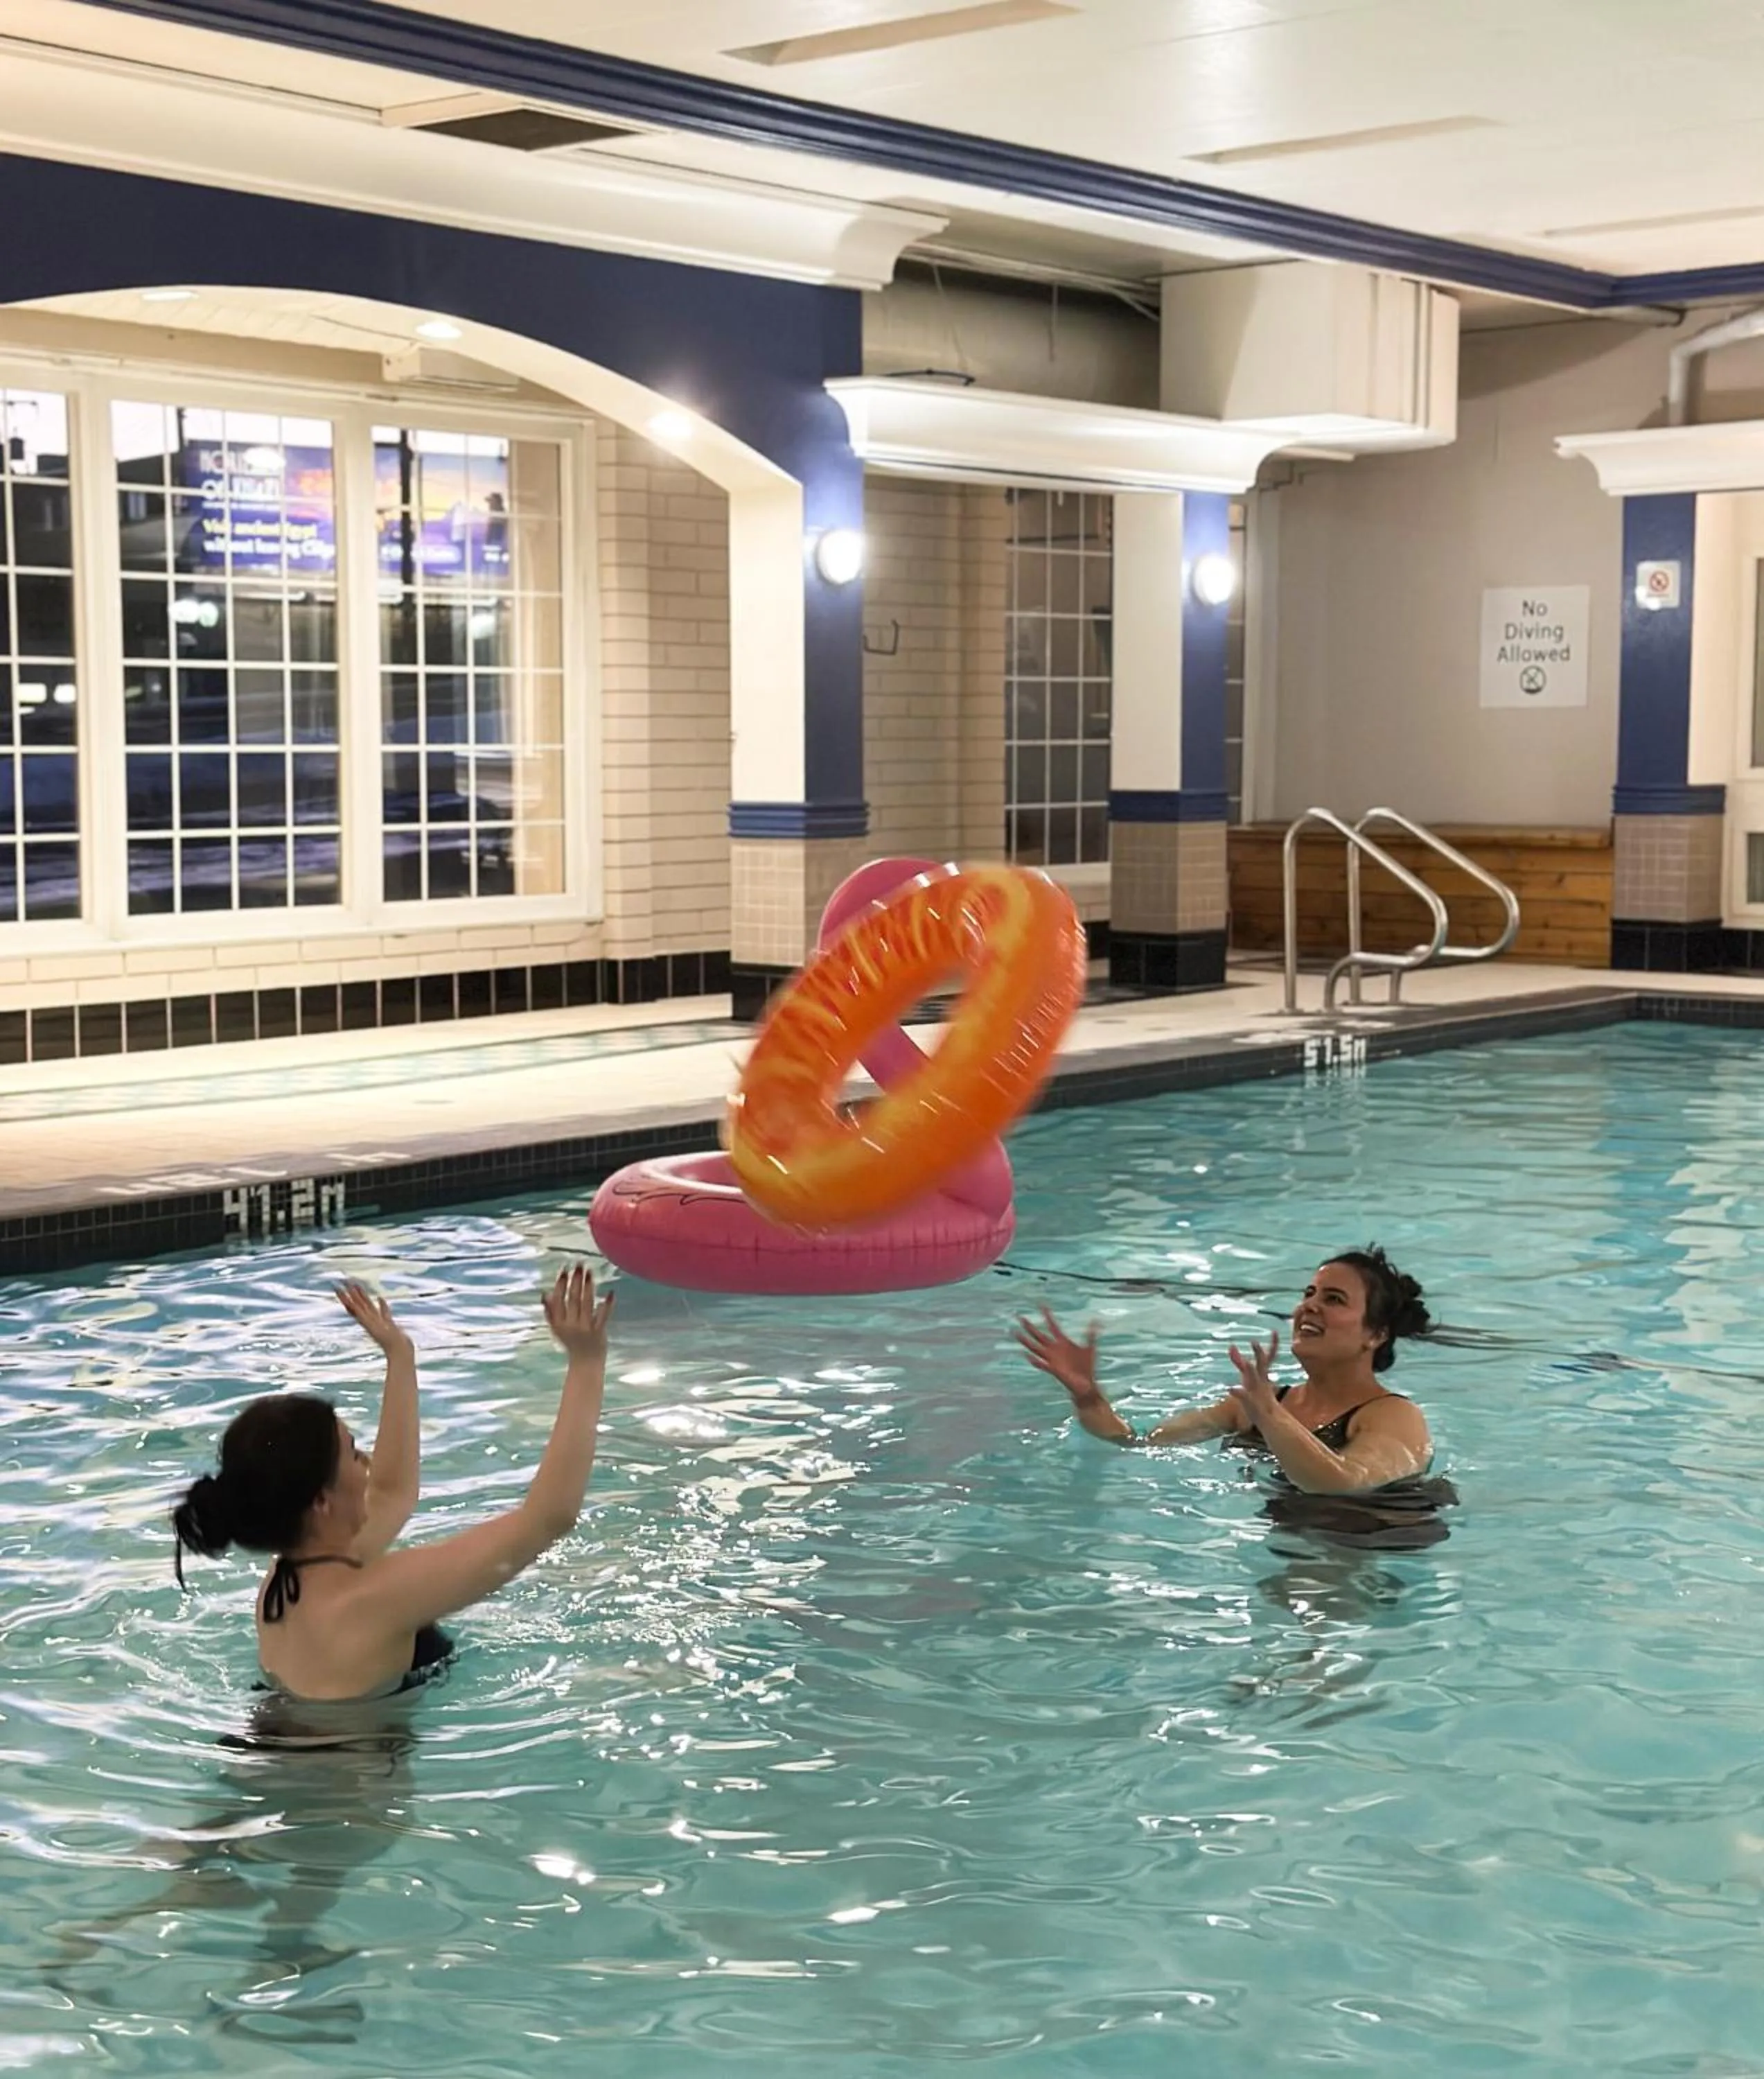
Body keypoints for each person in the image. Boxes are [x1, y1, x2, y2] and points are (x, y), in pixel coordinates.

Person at [170, 1265, 614, 1701]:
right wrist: (587, 1363)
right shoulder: (372, 1600)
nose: (366, 1461)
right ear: (322, 1501)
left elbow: (391, 1493)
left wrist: (400, 1356)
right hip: (340, 1774)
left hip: (287, 1755)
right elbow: (547, 1519)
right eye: (352, 1450)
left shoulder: (287, 1580)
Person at [1014, 1246, 1456, 1546]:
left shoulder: (1393, 1416)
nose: (1310, 1306)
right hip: (1299, 1536)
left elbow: (1343, 1482)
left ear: (1375, 1334)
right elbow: (1136, 1441)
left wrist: (1269, 1415)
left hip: (1375, 1541)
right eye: (1309, 1294)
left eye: (1335, 1299)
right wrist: (1089, 1397)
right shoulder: (1260, 1402)